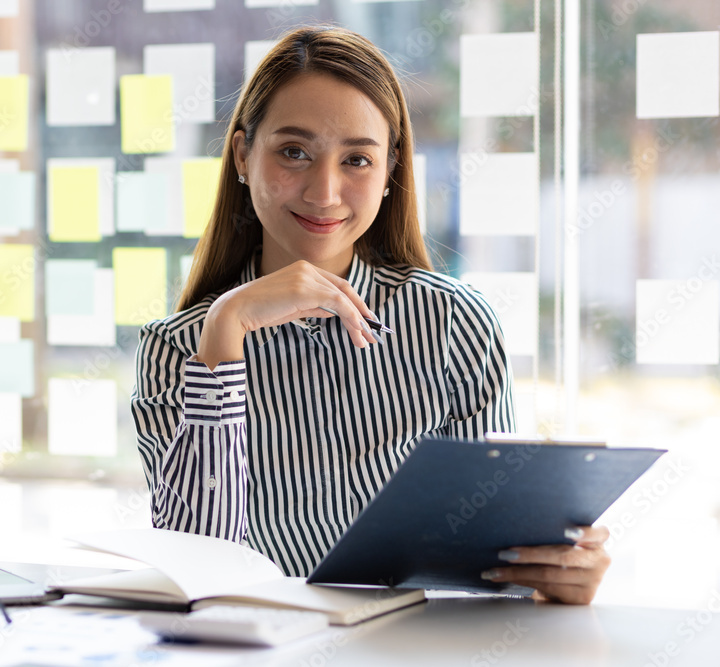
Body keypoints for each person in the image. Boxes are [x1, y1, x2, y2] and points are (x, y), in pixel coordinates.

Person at [131, 25, 609, 605]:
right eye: (293, 152)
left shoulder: (453, 324)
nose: (325, 191)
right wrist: (226, 330)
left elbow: (491, 573)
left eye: (357, 159)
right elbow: (197, 568)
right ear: (241, 157)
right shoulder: (180, 349)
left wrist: (554, 576)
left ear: (390, 173)